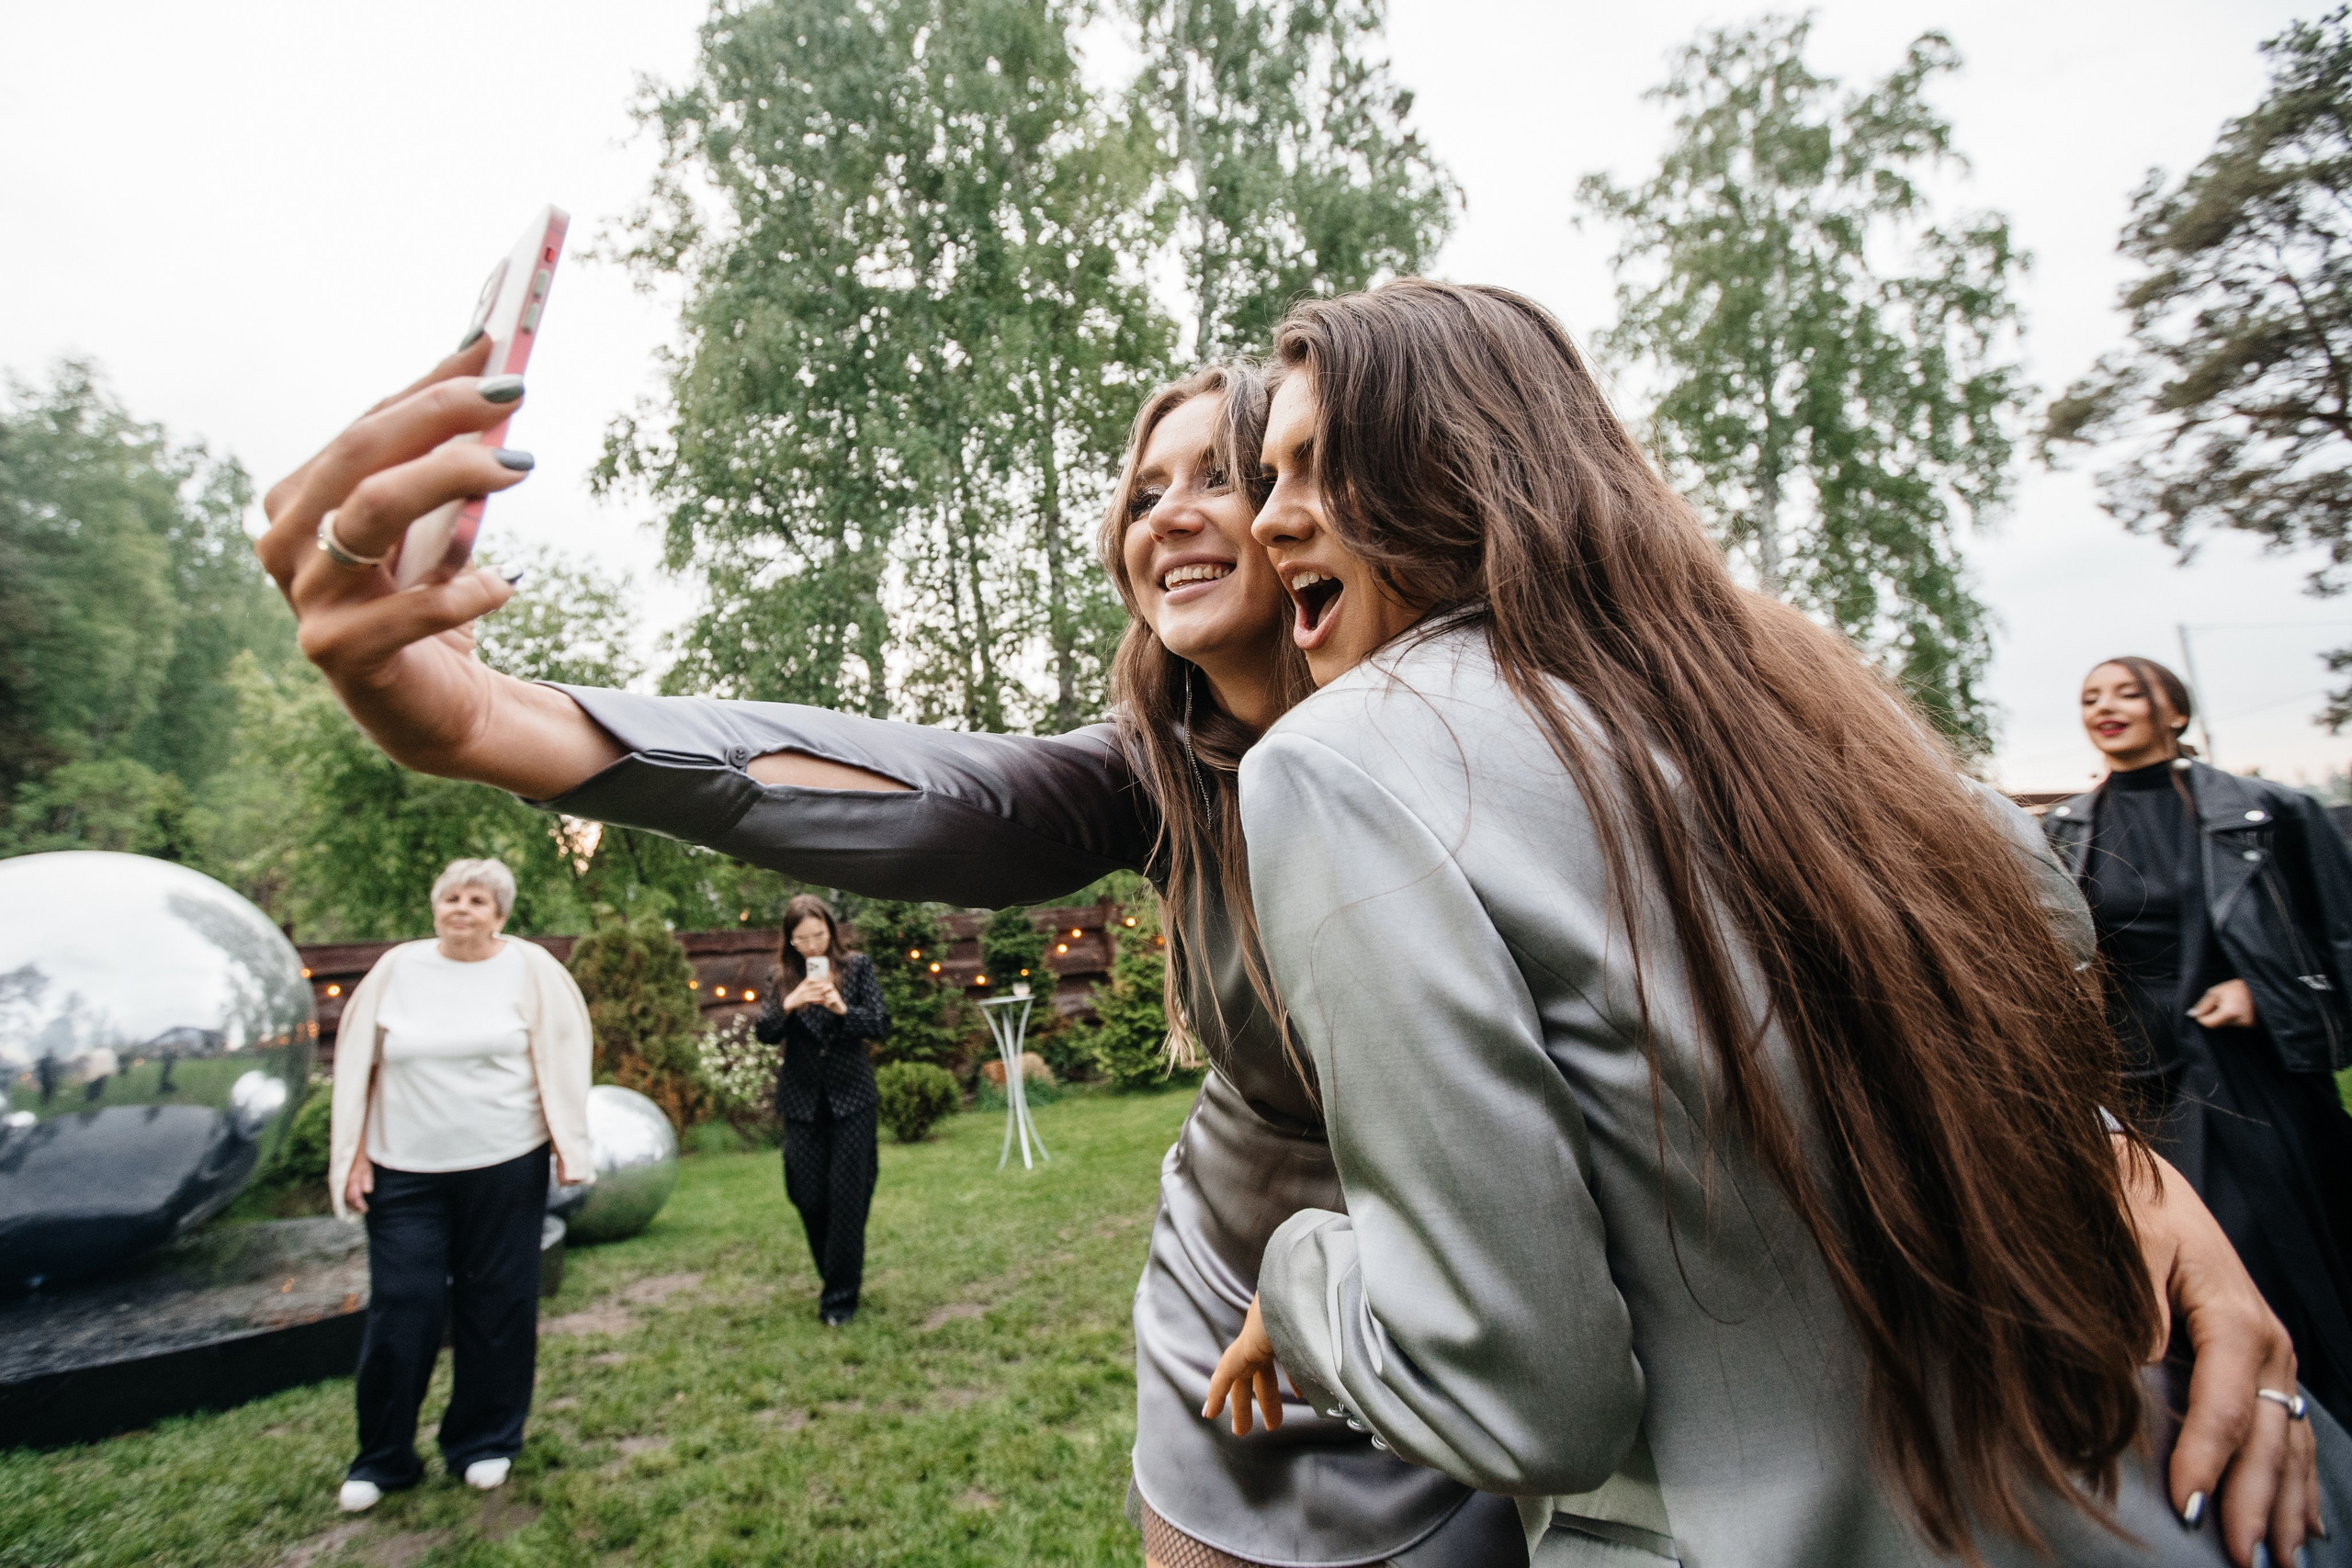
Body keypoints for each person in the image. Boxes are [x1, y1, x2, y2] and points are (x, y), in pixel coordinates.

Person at [256, 337, 2306, 1567]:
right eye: (1134, 487)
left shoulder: (1545, 738)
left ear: (1348, 500)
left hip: (1544, 1348)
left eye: (1229, 470)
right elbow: (878, 780)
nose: (1171, 510)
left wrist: (2134, 1192)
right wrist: (499, 723)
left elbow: (1820, 965)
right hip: (1258, 1330)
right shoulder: (1147, 776)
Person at [1203, 280, 2335, 1568]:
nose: (1271, 512)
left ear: (1451, 466)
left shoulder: (1339, 763)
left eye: (1314, 467)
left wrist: (1301, 1275)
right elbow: (2041, 959)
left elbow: (1526, 1396)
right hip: (2150, 1505)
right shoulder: (1787, 689)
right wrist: (2135, 1172)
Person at [2044, 657, 2352, 1427]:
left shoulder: (2269, 812)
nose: (2105, 706)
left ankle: (2318, 1413)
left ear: (2174, 713)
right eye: (2090, 697)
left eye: (2126, 692)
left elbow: (2339, 939)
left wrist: (2263, 991)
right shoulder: (2064, 830)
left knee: (2275, 1253)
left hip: (2245, 1072)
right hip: (2131, 1080)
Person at [325, 857, 594, 1513]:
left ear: (499, 913)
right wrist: (355, 1154)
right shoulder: (397, 969)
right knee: (403, 1305)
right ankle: (382, 1458)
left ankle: (484, 1441)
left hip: (505, 1163)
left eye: (477, 899)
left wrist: (567, 1144)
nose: (462, 908)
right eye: (451, 896)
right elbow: (359, 1064)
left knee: (498, 1302)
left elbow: (563, 1055)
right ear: (435, 906)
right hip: (404, 1172)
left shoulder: (531, 969)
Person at [755, 894, 886, 1326]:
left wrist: (840, 1008)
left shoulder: (858, 967)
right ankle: (836, 1272)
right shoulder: (779, 978)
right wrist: (792, 1003)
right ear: (790, 940)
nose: (813, 945)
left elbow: (881, 1024)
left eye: (819, 935)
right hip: (803, 1102)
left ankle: (839, 1301)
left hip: (852, 1100)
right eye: (803, 938)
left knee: (848, 1199)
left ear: (830, 930)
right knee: (806, 1194)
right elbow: (765, 1032)